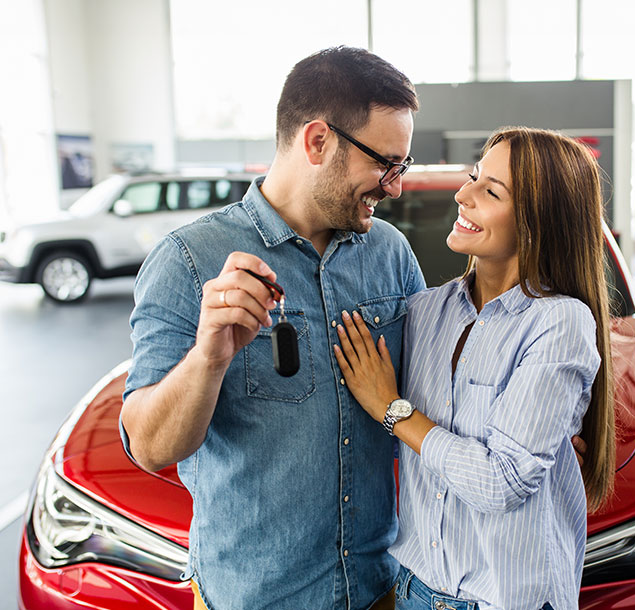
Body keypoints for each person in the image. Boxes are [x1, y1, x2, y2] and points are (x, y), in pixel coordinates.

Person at [119, 46, 422, 610]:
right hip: (256, 598)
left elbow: (433, 391)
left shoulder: (391, 254)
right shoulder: (188, 260)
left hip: (383, 589)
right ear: (317, 141)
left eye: (402, 167)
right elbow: (148, 446)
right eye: (386, 163)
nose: (395, 186)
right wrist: (209, 357)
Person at [333, 127, 617, 610]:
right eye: (472, 178)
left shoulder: (560, 321)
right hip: (414, 592)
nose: (463, 195)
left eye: (490, 191)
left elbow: (500, 481)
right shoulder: (424, 312)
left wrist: (394, 410)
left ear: (538, 220)